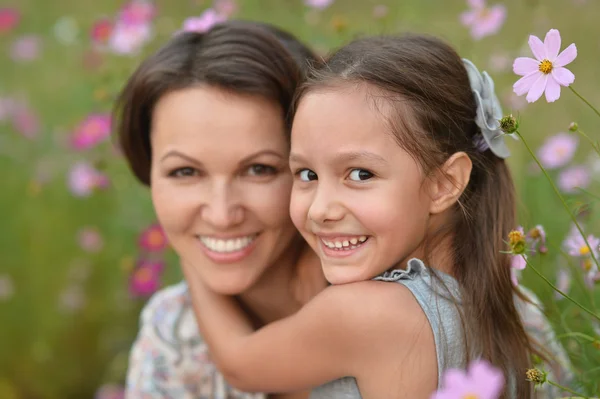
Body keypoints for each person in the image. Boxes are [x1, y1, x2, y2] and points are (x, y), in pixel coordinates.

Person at [182, 33, 574, 399]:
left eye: (360, 174)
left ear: (444, 183)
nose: (320, 209)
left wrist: (193, 261)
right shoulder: (494, 295)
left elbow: (240, 363)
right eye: (307, 174)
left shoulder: (367, 312)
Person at [114, 21, 328, 398]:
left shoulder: (404, 297)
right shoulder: (173, 331)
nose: (221, 214)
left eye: (259, 169)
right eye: (185, 171)